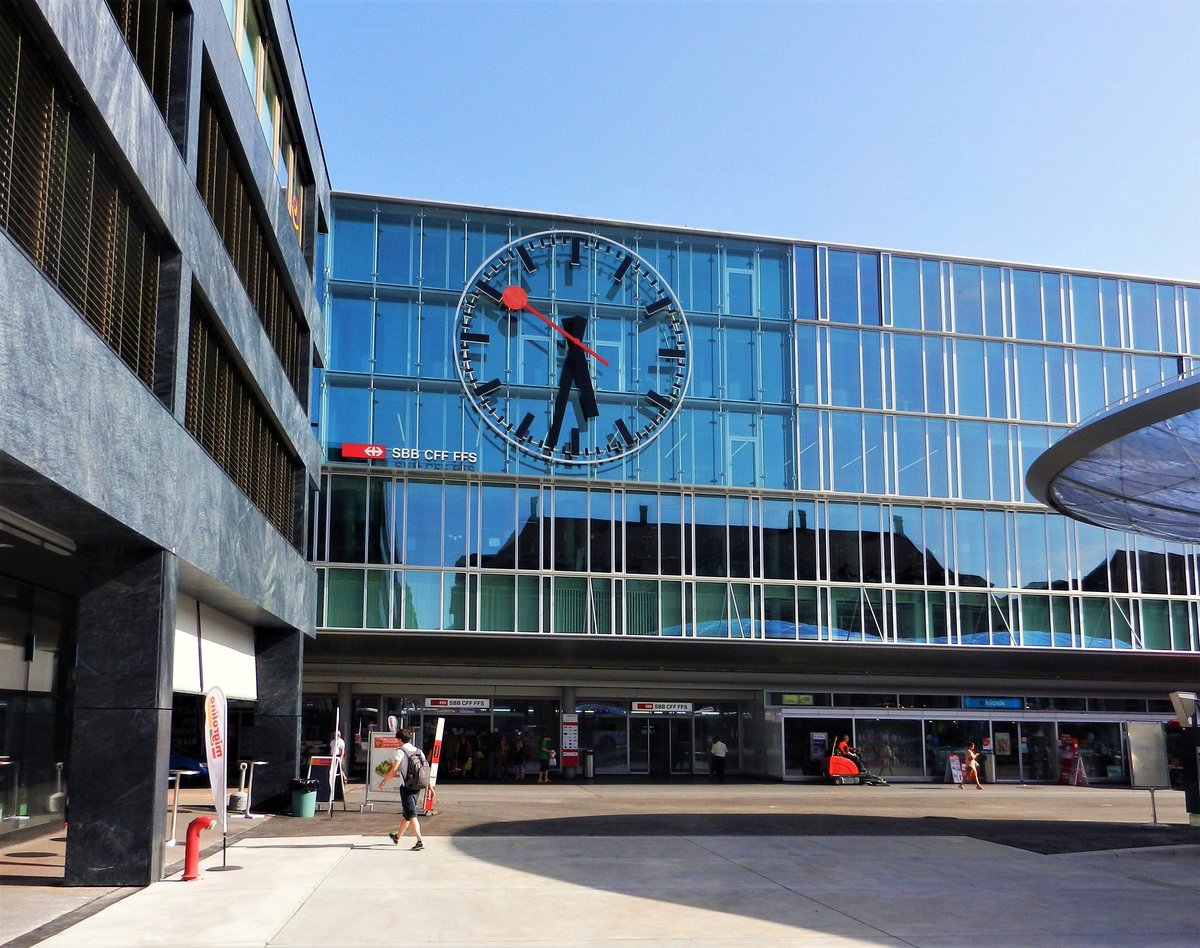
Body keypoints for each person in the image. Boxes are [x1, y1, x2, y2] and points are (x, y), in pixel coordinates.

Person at [378, 727, 426, 849]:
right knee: (407, 814)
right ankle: (397, 837)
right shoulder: (419, 751)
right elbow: (425, 770)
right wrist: (429, 786)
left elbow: (394, 770)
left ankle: (420, 841)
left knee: (411, 813)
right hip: (418, 786)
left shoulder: (400, 751)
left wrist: (384, 781)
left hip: (406, 787)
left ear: (400, 739)